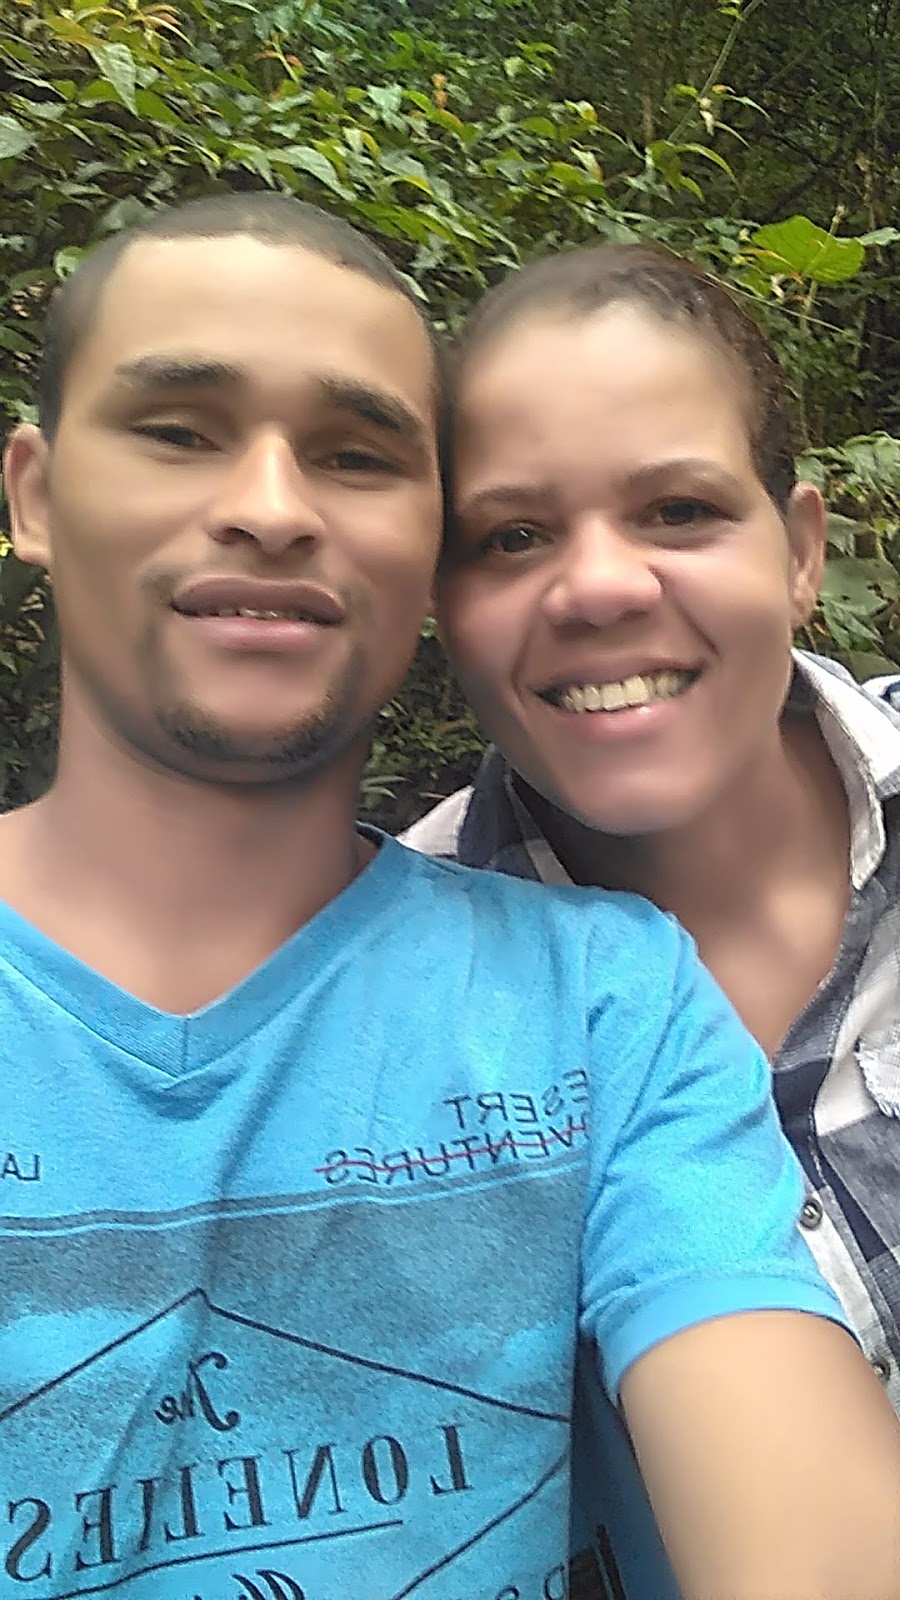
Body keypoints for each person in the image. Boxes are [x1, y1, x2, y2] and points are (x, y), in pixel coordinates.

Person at [1, 196, 899, 1600]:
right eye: (176, 430)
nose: (272, 506)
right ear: (35, 496)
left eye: (355, 456)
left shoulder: (598, 996)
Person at [404, 239, 900, 1589]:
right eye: (512, 536)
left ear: (801, 552)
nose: (600, 586)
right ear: (441, 606)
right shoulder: (380, 999)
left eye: (678, 510)